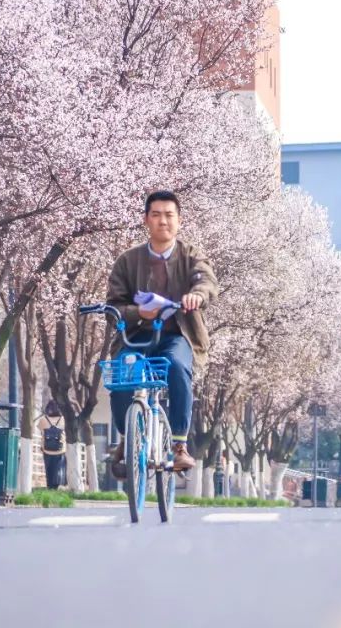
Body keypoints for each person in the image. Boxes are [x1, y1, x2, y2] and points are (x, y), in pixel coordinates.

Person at [106, 190, 218, 474]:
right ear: (146, 220)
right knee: (122, 373)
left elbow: (205, 281)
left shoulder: (191, 256)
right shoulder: (128, 261)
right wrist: (137, 313)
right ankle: (126, 437)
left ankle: (179, 445)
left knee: (178, 367)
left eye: (169, 215)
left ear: (179, 221)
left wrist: (197, 296)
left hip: (176, 335)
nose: (163, 221)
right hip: (136, 336)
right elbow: (114, 306)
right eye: (156, 215)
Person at [37, 400, 66, 490]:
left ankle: (49, 486)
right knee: (58, 469)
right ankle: (56, 485)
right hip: (60, 450)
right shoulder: (63, 419)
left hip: (47, 449)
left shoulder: (43, 419)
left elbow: (40, 430)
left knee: (48, 469)